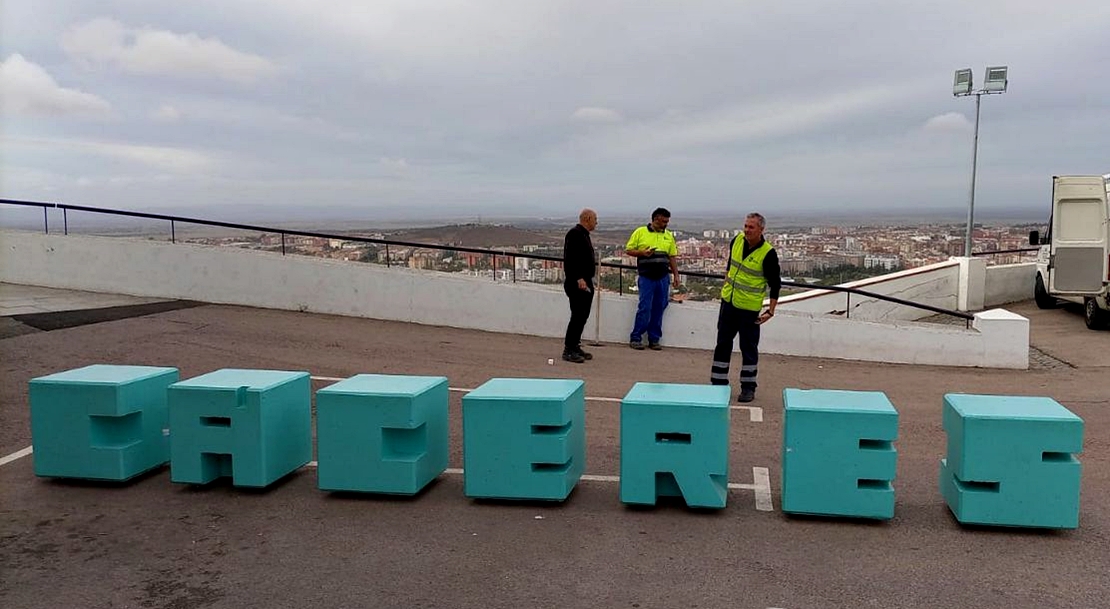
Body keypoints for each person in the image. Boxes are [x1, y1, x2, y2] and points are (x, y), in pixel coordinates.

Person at [709, 212, 781, 403]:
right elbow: (730, 266)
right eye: (746, 226)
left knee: (748, 347)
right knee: (722, 343)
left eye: (751, 227)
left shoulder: (768, 253)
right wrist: (725, 285)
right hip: (728, 303)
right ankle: (718, 384)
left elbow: (775, 284)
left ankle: (748, 388)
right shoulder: (737, 241)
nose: (747, 230)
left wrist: (771, 310)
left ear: (761, 229)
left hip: (749, 309)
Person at [625, 207, 680, 350]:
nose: (666, 224)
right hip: (646, 277)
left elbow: (672, 256)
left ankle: (654, 339)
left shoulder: (668, 235)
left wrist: (676, 275)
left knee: (659, 307)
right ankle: (636, 337)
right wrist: (642, 253)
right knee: (645, 307)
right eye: (663, 221)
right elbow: (629, 250)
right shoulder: (640, 232)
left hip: (663, 278)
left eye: (667, 222)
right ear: (655, 219)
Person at [562, 208, 598, 363]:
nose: (596, 222)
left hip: (586, 281)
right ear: (587, 218)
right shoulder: (575, 234)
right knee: (577, 316)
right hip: (578, 282)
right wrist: (578, 278)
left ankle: (575, 345)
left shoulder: (584, 234)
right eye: (595, 219)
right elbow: (571, 258)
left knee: (583, 316)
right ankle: (568, 349)